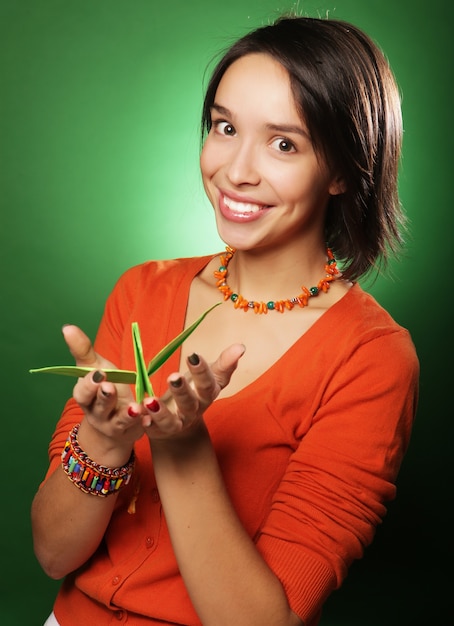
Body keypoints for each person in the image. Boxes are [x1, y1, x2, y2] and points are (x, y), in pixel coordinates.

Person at [31, 14, 419, 626]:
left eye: (284, 143)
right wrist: (105, 441)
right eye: (225, 126)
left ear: (344, 169)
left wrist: (181, 447)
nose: (236, 170)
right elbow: (54, 555)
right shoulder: (142, 291)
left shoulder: (371, 358)